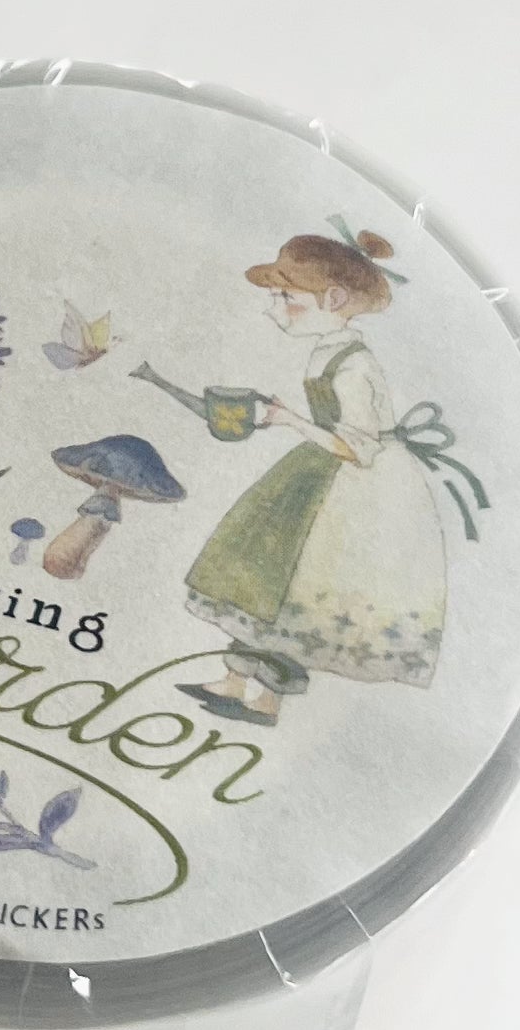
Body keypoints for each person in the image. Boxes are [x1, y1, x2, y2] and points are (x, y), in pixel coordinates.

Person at [180, 225, 447, 724]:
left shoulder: (354, 365)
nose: (275, 310)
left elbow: (357, 447)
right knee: (259, 578)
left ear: (335, 298)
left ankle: (267, 700)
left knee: (296, 589)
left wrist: (289, 420)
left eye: (288, 299)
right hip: (318, 470)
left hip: (352, 487)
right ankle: (234, 680)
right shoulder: (328, 349)